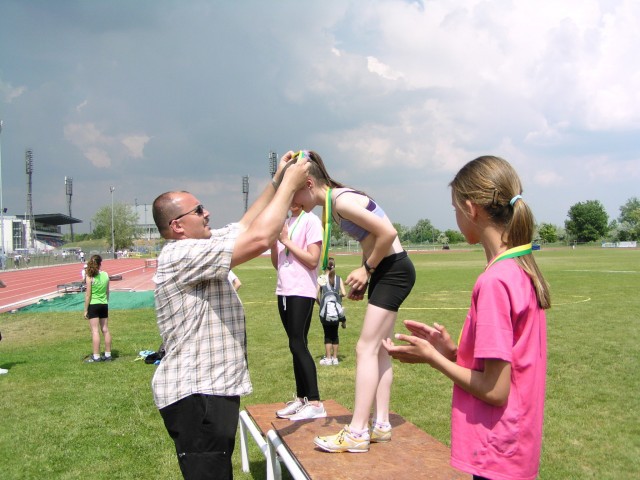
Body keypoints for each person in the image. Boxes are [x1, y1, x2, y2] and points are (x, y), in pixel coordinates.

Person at [383, 155, 550, 480]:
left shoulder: (494, 282)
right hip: (516, 448)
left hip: (496, 450)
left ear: (471, 208)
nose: (456, 216)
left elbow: (495, 390)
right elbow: (506, 370)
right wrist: (453, 353)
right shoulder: (519, 269)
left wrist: (433, 358)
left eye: (455, 209)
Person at [150, 152, 309, 480]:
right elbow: (260, 239)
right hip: (197, 395)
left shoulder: (198, 245)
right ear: (177, 226)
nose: (206, 213)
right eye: (198, 211)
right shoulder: (180, 254)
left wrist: (277, 181)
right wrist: (290, 187)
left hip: (209, 392)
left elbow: (246, 226)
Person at [289, 150, 415, 453]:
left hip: (393, 269)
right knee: (380, 349)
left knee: (365, 348)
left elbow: (388, 232)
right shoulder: (335, 203)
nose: (292, 203)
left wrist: (367, 269)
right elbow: (370, 239)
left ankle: (358, 432)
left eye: (292, 194)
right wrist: (366, 274)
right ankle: (381, 424)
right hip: (389, 269)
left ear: (307, 183)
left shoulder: (341, 202)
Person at [270, 202, 325, 420]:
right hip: (284, 289)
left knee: (297, 343)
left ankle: (315, 401)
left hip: (301, 290)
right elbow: (278, 263)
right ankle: (302, 399)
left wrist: (286, 240)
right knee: (296, 344)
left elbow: (312, 260)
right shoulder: (285, 223)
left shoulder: (310, 220)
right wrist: (275, 242)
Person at [317, 257, 347, 366]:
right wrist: (336, 297)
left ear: (325, 266)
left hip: (324, 312)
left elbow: (315, 295)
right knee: (335, 334)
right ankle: (335, 358)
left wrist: (320, 303)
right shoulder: (338, 278)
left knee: (327, 335)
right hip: (336, 311)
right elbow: (344, 293)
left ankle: (328, 358)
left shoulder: (321, 278)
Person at [83, 254, 113, 363]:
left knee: (95, 331)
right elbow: (107, 291)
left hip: (94, 305)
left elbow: (88, 295)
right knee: (105, 329)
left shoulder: (90, 276)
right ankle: (108, 354)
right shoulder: (105, 275)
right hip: (104, 304)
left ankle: (96, 356)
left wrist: (86, 310)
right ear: (100, 263)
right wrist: (105, 301)